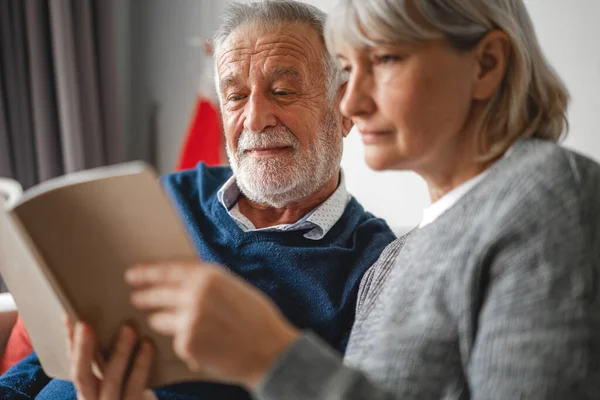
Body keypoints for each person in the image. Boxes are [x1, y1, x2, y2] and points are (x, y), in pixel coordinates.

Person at [125, 0, 600, 399]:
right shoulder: (391, 263)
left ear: (486, 65)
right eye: (349, 69)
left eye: (386, 59)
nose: (351, 102)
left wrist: (272, 357)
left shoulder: (546, 194)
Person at [0, 1, 396, 399]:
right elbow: (66, 342)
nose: (255, 118)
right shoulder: (165, 196)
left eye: (282, 91)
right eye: (236, 96)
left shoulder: (373, 266)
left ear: (344, 108)